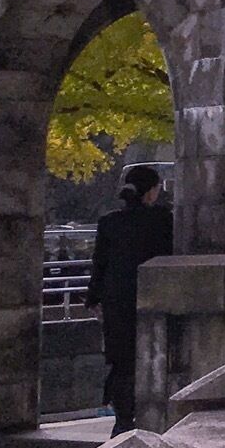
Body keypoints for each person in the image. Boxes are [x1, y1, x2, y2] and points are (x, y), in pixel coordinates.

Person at [89, 163, 173, 433]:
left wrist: (93, 299)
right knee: (151, 358)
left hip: (116, 301)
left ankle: (122, 419)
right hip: (151, 299)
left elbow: (100, 264)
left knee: (120, 361)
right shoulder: (161, 220)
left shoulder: (109, 222)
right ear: (151, 191)